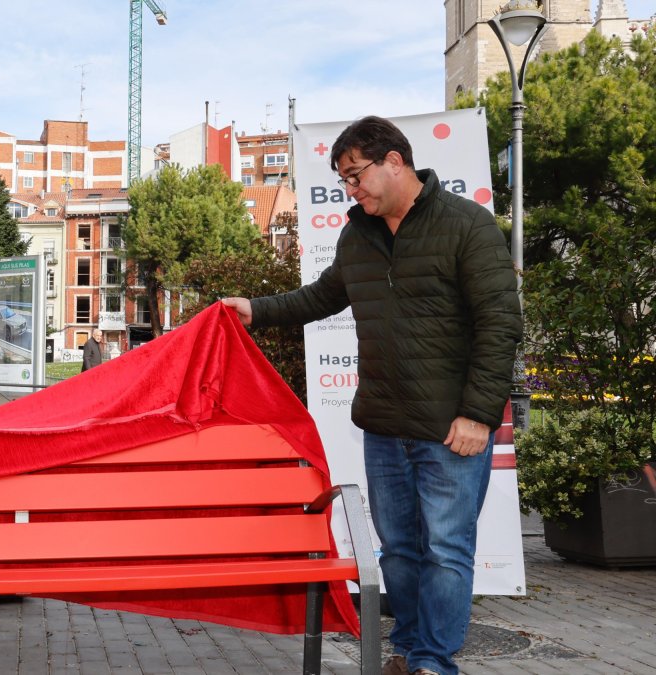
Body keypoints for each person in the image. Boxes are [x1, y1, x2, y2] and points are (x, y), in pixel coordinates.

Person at [222, 116, 522, 675]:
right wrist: (256, 310)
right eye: (343, 181)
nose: (351, 189)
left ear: (395, 161)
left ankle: (433, 661)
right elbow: (324, 295)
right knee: (400, 553)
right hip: (384, 427)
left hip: (451, 429)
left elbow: (500, 324)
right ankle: (407, 652)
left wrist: (478, 415)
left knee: (447, 551)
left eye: (356, 176)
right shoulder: (357, 232)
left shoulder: (467, 225)